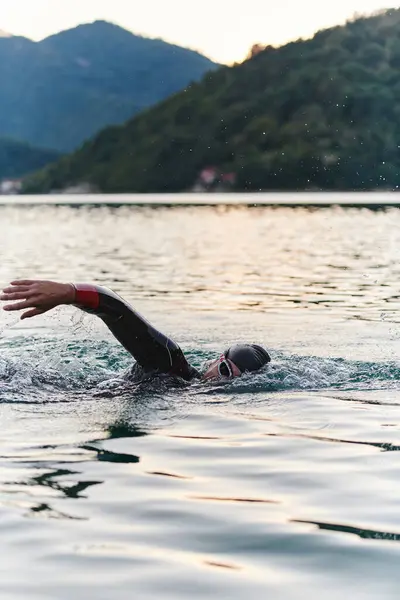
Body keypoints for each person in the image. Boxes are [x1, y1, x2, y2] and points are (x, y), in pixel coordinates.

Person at [1, 280, 271, 382]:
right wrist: (68, 293)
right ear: (215, 361)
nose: (220, 383)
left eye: (233, 382)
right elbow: (117, 310)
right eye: (223, 372)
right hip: (44, 389)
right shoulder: (172, 364)